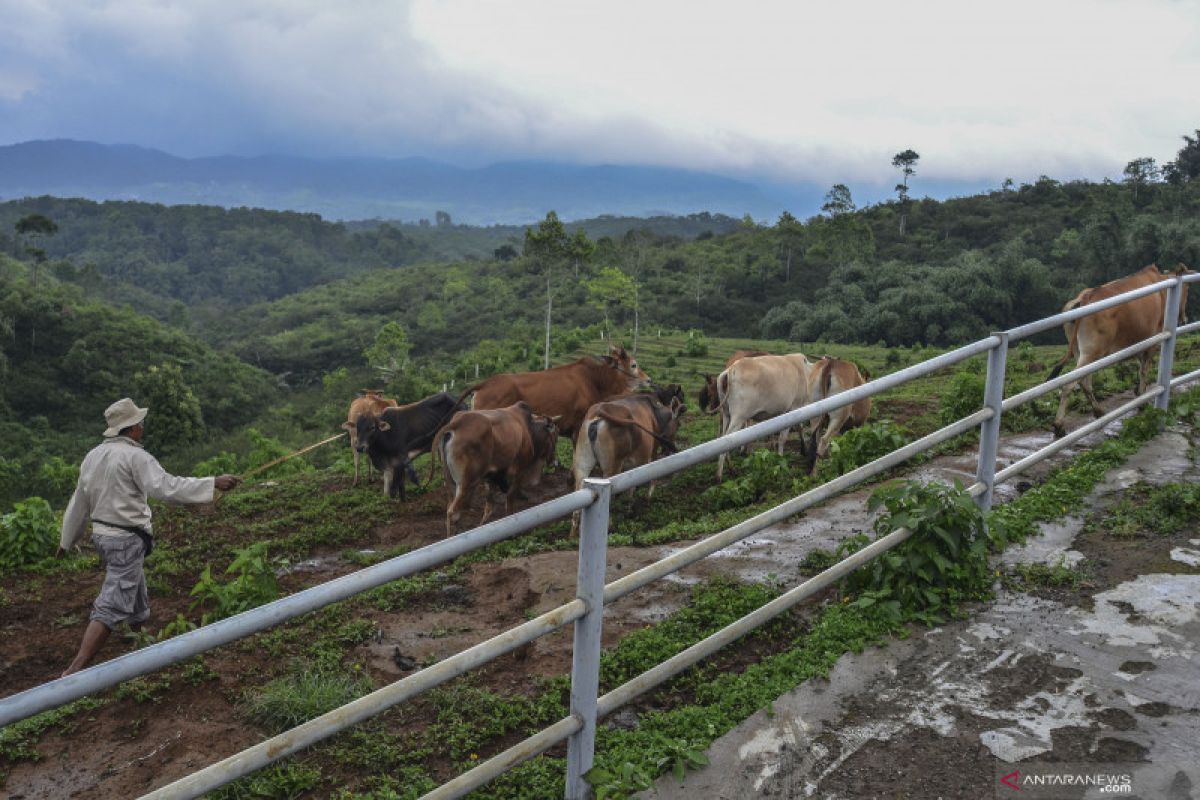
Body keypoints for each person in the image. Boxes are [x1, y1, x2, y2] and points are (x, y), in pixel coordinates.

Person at [56, 398, 241, 677]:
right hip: (125, 539)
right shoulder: (135, 457)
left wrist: (66, 541)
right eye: (140, 423)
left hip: (103, 537)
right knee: (114, 600)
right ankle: (75, 669)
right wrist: (212, 482)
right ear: (132, 429)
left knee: (135, 589)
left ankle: (141, 644)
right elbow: (166, 487)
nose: (142, 427)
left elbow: (78, 502)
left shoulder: (93, 456)